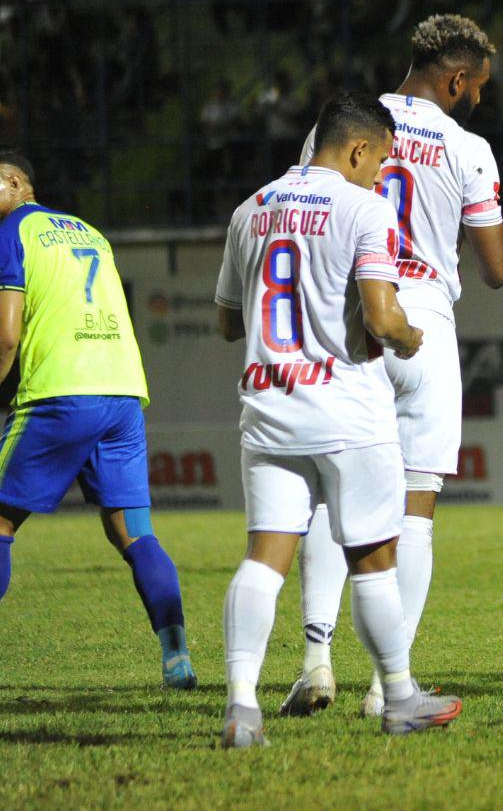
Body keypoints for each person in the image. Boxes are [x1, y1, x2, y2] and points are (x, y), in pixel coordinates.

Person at [284, 14, 503, 718]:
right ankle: (388, 688)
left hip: (352, 319)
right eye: (480, 88)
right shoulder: (468, 147)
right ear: (457, 80)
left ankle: (317, 661)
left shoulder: (342, 127)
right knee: (417, 512)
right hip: (427, 328)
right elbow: (498, 267)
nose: (481, 100)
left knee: (329, 493)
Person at [214, 91, 462, 747]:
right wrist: (409, 338)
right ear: (356, 149)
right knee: (376, 558)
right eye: (379, 161)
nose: (381, 175)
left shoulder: (251, 209)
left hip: (269, 407)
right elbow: (381, 317)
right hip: (348, 411)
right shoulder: (364, 208)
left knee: (264, 557)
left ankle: (242, 707)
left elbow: (226, 320)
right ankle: (401, 697)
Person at [0, 148, 195, 690]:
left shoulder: (12, 230)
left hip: (62, 391)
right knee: (134, 534)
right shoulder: (89, 232)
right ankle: (176, 656)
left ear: (16, 183)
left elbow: (7, 335)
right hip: (123, 392)